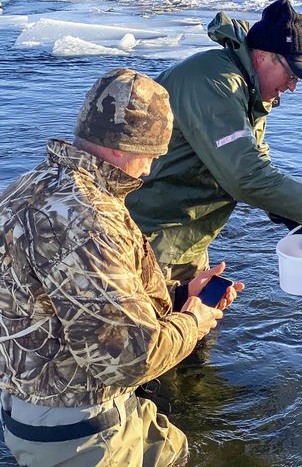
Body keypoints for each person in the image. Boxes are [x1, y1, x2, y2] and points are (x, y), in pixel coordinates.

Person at [0, 68, 239, 466]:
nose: (149, 170)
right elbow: (132, 360)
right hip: (79, 432)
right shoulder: (90, 220)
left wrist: (178, 297)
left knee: (176, 452)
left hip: (40, 409)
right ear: (125, 147)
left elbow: (64, 300)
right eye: (151, 156)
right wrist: (193, 322)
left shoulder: (28, 186)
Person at [127, 0, 302, 284]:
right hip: (145, 237)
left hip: (182, 241)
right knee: (157, 327)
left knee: (197, 323)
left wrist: (290, 212)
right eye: (292, 75)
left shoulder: (251, 91)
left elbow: (254, 162)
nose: (293, 86)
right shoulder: (215, 84)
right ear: (263, 56)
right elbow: (244, 177)